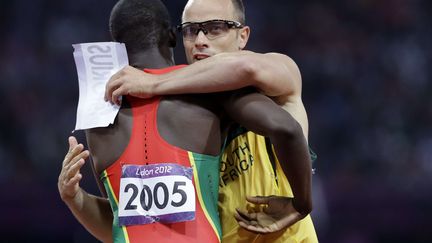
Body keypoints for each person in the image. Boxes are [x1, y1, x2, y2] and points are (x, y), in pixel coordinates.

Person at [58, 0, 313, 242]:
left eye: (215, 28)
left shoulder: (280, 75)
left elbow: (245, 68)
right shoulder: (192, 104)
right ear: (176, 36)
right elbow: (138, 225)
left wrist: (154, 82)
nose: (200, 41)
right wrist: (75, 198)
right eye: (191, 31)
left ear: (243, 35)